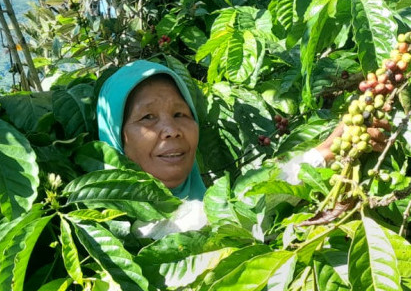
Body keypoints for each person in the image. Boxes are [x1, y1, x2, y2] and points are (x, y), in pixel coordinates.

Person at [96, 60, 387, 236]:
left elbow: (243, 207)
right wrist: (322, 154)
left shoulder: (206, 202)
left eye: (180, 114)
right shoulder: (106, 230)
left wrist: (329, 151)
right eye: (147, 118)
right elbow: (226, 217)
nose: (171, 130)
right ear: (116, 137)